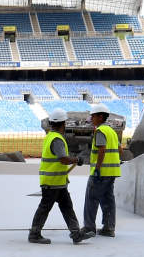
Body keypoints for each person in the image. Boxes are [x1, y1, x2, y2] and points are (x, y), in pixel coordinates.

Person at [28, 108, 92, 245]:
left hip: (57, 182)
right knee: (45, 208)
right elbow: (63, 159)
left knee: (67, 207)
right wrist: (76, 160)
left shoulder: (50, 137)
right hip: (52, 183)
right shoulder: (57, 140)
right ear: (63, 124)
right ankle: (34, 234)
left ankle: (76, 234)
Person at [79, 103, 120, 238]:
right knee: (108, 200)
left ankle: (89, 227)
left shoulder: (100, 131)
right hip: (112, 172)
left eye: (93, 116)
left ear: (100, 117)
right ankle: (109, 228)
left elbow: (102, 149)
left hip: (101, 172)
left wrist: (97, 168)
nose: (91, 118)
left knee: (91, 198)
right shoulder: (112, 131)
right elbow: (120, 149)